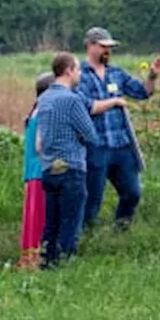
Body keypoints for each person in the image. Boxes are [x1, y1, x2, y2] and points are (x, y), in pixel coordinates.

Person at [77, 26, 160, 231]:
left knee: (132, 192)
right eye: (103, 47)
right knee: (92, 199)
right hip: (95, 146)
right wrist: (114, 102)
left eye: (110, 47)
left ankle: (120, 229)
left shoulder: (116, 73)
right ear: (90, 46)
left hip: (121, 145)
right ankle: (86, 237)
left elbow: (143, 92)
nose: (108, 51)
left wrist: (152, 76)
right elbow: (85, 106)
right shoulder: (78, 75)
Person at [36, 52, 100, 268]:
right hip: (71, 166)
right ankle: (65, 266)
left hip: (49, 168)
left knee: (51, 223)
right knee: (70, 222)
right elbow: (91, 134)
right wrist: (78, 136)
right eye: (78, 69)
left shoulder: (43, 98)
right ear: (68, 70)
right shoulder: (72, 100)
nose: (80, 73)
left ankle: (47, 263)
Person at [18, 72, 54, 270]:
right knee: (41, 216)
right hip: (42, 169)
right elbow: (42, 145)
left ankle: (28, 257)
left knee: (32, 216)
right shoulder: (44, 113)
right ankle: (37, 258)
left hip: (31, 171)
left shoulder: (34, 112)